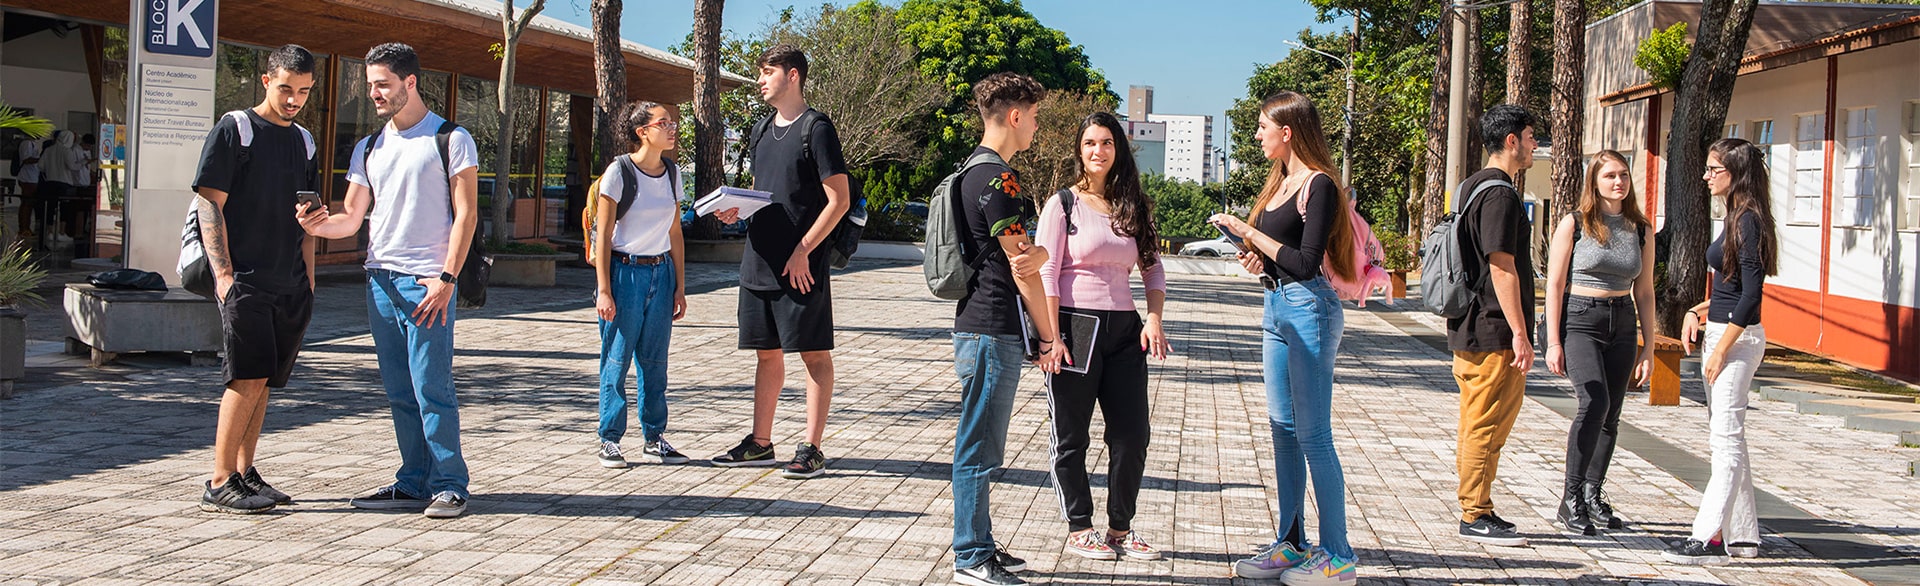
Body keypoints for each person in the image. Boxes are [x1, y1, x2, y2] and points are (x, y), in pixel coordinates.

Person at [298, 42, 478, 519]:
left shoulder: (450, 138)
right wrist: (316, 224)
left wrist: (447, 277)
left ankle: (450, 483)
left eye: (382, 84)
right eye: (370, 84)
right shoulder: (369, 146)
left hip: (427, 282)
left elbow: (467, 216)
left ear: (410, 82)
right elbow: (352, 218)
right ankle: (413, 481)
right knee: (399, 390)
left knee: (431, 387)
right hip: (379, 280)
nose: (373, 93)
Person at [1215, 91, 1360, 584]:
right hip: (1276, 305)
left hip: (1309, 310)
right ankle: (1293, 542)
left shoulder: (1318, 184)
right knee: (1282, 430)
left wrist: (1249, 233)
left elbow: (1306, 262)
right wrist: (1255, 258)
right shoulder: (1278, 184)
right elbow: (1281, 263)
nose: (1256, 135)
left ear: (1287, 130)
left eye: (1261, 126)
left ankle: (1338, 556)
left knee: (1313, 434)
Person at [190, 44, 322, 514]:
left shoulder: (303, 141)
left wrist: (308, 277)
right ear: (267, 81)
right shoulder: (236, 128)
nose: (294, 100)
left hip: (288, 280)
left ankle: (245, 474)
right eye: (286, 88)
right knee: (245, 377)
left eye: (304, 92)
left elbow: (307, 214)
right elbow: (210, 202)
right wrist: (223, 275)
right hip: (245, 278)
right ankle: (219, 480)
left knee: (263, 381)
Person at [709, 45, 851, 479]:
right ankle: (760, 442)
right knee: (766, 354)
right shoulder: (759, 130)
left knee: (813, 354)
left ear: (793, 76)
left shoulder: (817, 129)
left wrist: (804, 249)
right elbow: (760, 192)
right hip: (759, 261)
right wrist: (736, 209)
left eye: (767, 72)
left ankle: (811, 448)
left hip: (801, 264)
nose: (760, 79)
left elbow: (839, 200)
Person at [1036, 111, 1171, 563]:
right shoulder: (1063, 204)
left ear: (1119, 150)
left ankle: (1120, 528)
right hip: (1075, 327)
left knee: (1132, 435)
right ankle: (1079, 526)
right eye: (1091, 142)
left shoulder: (1134, 205)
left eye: (1108, 143)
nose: (1099, 151)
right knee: (1071, 436)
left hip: (1124, 330)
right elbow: (1047, 272)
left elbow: (1153, 268)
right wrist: (1051, 337)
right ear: (1080, 148)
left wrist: (1154, 319)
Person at [948, 71, 1060, 586]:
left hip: (978, 326)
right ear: (1015, 115)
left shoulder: (969, 171)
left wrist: (1033, 251)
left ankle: (981, 541)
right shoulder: (999, 178)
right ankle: (971, 555)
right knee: (978, 445)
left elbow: (1016, 253)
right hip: (993, 328)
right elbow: (1023, 266)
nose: (1036, 127)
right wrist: (1048, 335)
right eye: (1034, 116)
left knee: (984, 442)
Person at [1664, 138, 1777, 565]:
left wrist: (1720, 350)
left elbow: (1751, 298)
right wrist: (1697, 309)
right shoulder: (1735, 216)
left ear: (1736, 173)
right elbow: (1731, 290)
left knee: (1724, 443)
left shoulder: (1748, 220)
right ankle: (1743, 538)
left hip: (1737, 341)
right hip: (1723, 333)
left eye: (1714, 169)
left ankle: (1704, 535)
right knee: (1731, 440)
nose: (1707, 176)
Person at [1542, 150, 1654, 535]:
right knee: (1594, 402)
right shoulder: (1574, 224)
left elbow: (1646, 291)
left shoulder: (1640, 228)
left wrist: (1649, 346)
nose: (1618, 182)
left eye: (1623, 175)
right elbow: (1554, 285)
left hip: (1622, 321)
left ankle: (1592, 493)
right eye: (1610, 176)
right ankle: (1569, 497)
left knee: (1612, 413)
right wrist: (1553, 341)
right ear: (1595, 181)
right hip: (1580, 319)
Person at [1448, 103, 1539, 547]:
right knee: (1486, 422)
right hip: (1492, 328)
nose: (1534, 146)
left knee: (1477, 421)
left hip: (1472, 323)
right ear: (1512, 141)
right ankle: (1474, 512)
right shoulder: (1499, 194)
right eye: (1531, 137)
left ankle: (1478, 506)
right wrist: (1520, 332)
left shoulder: (1470, 186)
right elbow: (1501, 266)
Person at [590, 101, 690, 469]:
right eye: (663, 123)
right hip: (624, 274)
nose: (672, 128)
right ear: (642, 132)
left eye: (672, 122)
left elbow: (675, 231)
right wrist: (603, 288)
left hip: (660, 273)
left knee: (654, 361)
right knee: (616, 360)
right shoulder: (619, 171)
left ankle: (654, 437)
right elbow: (602, 236)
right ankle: (610, 439)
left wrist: (680, 285)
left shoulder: (672, 173)